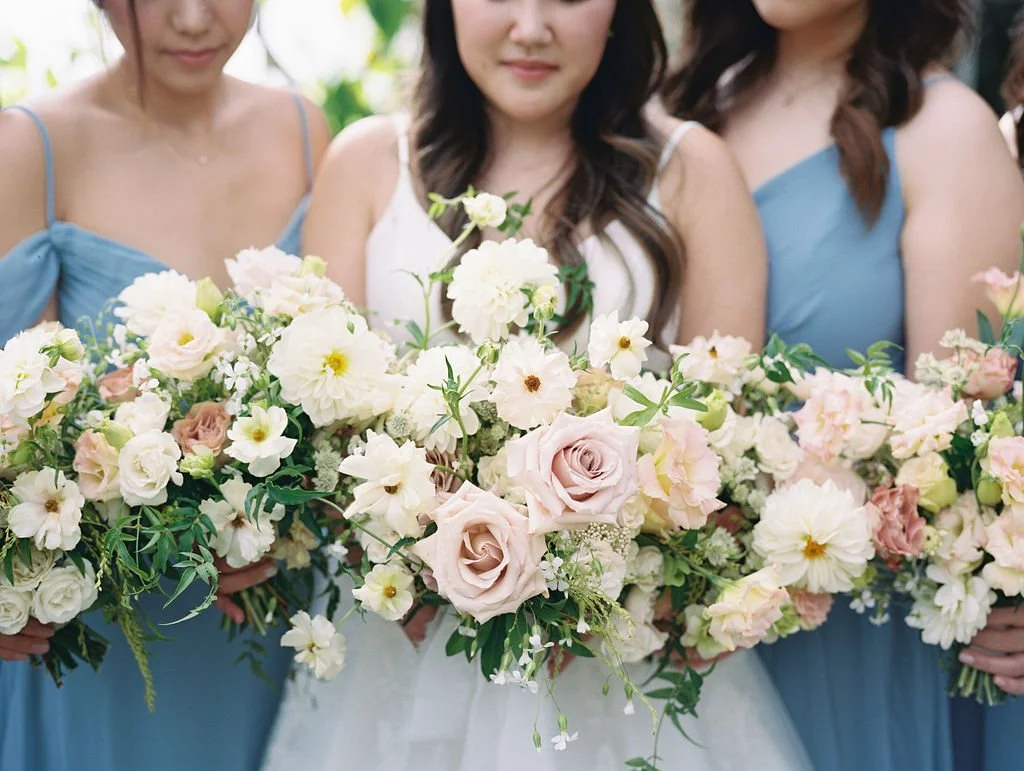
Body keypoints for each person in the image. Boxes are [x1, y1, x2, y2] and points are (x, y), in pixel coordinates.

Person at [261, 1, 810, 769]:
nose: (530, 26)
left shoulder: (693, 170)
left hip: (620, 663)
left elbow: (726, 440)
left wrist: (611, 577)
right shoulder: (366, 164)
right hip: (398, 653)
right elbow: (324, 433)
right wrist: (407, 564)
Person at [662, 1, 1024, 769]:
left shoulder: (945, 132)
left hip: (854, 645)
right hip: (667, 632)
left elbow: (954, 459)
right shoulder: (682, 109)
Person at [0, 1, 328, 769]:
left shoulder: (301, 131)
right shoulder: (35, 147)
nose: (193, 18)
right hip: (103, 635)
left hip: (270, 618)